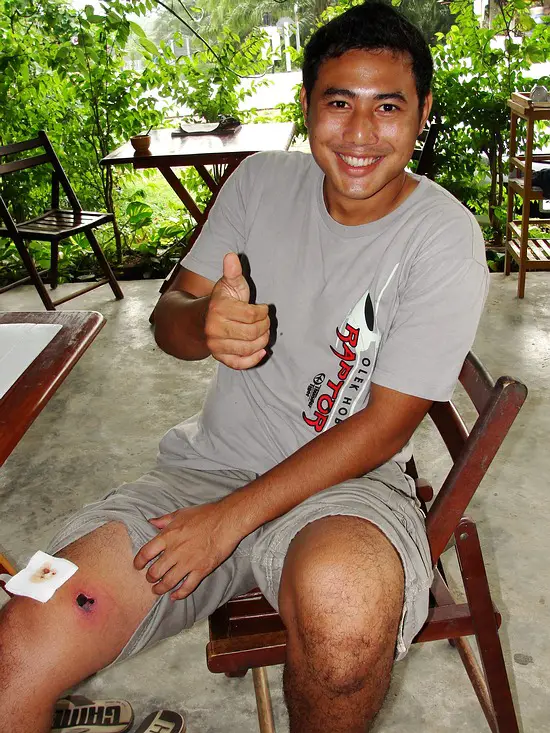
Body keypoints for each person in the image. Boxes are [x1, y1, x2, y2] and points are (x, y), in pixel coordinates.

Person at [0, 3, 489, 732]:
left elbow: (385, 428)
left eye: (387, 106)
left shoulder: (442, 236)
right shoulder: (260, 184)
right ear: (306, 106)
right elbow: (169, 321)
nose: (360, 133)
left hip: (347, 483)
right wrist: (204, 325)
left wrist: (229, 523)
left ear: (422, 114)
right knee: (28, 636)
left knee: (349, 626)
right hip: (206, 471)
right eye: (339, 103)